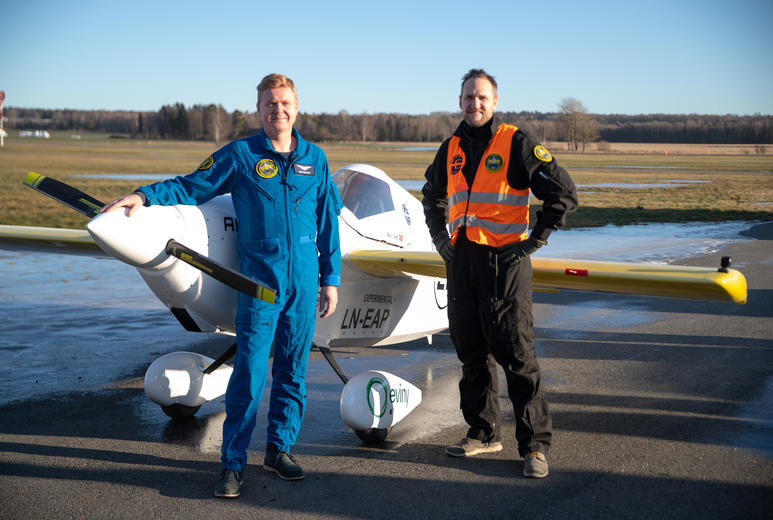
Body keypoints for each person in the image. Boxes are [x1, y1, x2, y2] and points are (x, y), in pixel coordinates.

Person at [101, 73, 342, 497]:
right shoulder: (241, 155)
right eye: (269, 103)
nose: (277, 110)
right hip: (258, 286)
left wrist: (331, 280)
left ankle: (280, 450)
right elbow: (192, 185)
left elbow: (328, 226)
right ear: (258, 110)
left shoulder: (315, 159)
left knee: (293, 371)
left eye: (284, 103)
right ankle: (232, 464)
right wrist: (142, 196)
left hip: (303, 284)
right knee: (248, 374)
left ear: (296, 107)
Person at [421, 69, 577, 478]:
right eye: (469, 97)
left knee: (517, 355)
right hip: (462, 263)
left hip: (505, 264)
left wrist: (535, 241)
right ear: (460, 101)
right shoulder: (450, 148)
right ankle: (483, 431)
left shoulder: (516, 142)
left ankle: (535, 447)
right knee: (471, 353)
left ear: (494, 102)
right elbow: (431, 196)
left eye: (483, 98)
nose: (475, 104)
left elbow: (562, 192)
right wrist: (441, 241)